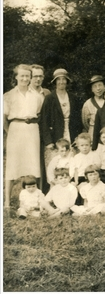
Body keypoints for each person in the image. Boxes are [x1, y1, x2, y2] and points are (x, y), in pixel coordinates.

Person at [4, 64, 45, 205]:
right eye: (22, 75)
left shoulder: (37, 96)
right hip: (15, 130)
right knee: (12, 166)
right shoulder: (8, 95)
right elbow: (3, 118)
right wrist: (10, 132)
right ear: (16, 77)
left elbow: (39, 114)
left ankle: (37, 200)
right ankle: (7, 202)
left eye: (27, 75)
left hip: (32, 129)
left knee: (34, 164)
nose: (25, 78)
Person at [40, 68, 82, 170]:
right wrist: (48, 141)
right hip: (55, 133)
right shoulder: (49, 98)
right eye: (58, 79)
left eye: (64, 79)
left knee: (71, 161)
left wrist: (77, 137)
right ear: (55, 82)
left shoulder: (73, 97)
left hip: (70, 133)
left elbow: (77, 120)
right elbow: (44, 121)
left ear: (67, 81)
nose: (61, 82)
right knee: (55, 162)